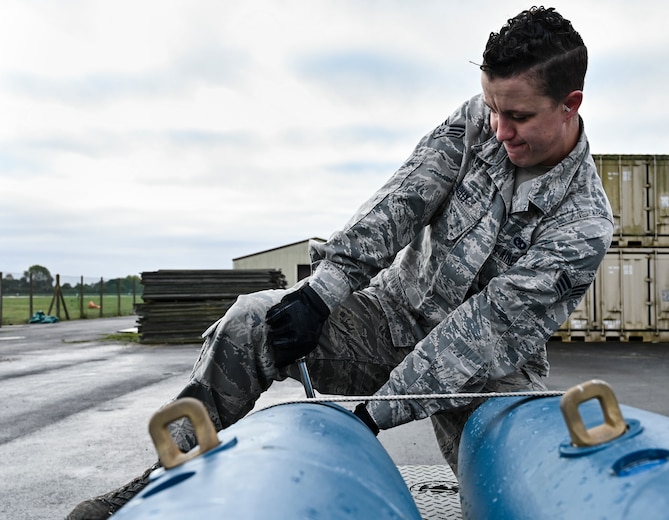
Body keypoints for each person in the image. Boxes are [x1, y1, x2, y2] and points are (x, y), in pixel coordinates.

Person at [67, 6, 613, 519]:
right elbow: (401, 201)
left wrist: (374, 415)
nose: (499, 130)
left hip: (485, 372)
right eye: (493, 108)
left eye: (517, 116)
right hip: (388, 319)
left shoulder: (583, 223)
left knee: (513, 472)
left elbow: (486, 330)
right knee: (250, 322)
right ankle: (160, 477)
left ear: (571, 103)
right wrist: (322, 291)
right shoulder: (477, 122)